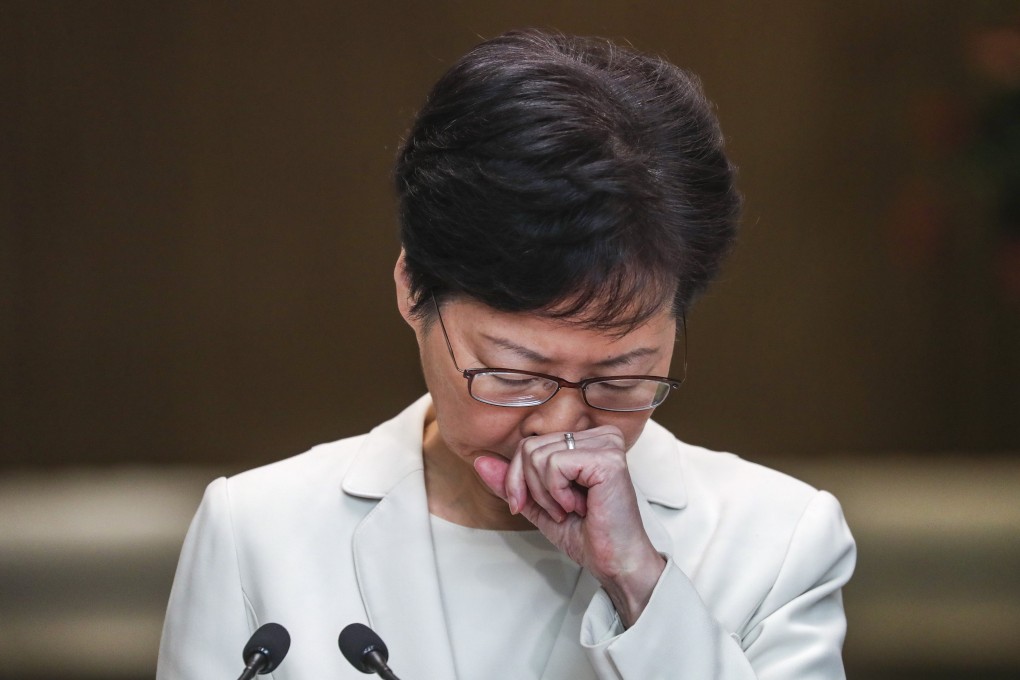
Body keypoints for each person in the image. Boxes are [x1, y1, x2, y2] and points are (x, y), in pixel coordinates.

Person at [157, 29, 855, 680]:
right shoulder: (259, 530)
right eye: (514, 373)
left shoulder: (776, 541)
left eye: (620, 379)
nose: (561, 426)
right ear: (411, 289)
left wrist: (640, 582)